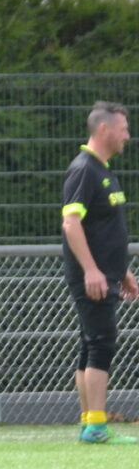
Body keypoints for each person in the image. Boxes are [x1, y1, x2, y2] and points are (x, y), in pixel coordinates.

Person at [61, 100, 135, 444]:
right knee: (102, 344)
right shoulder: (84, 170)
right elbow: (71, 223)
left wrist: (122, 271)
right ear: (104, 129)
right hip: (92, 278)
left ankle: (89, 423)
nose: (128, 136)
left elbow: (104, 230)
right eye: (123, 129)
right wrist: (91, 270)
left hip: (107, 274)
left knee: (91, 345)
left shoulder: (102, 170)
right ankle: (96, 426)